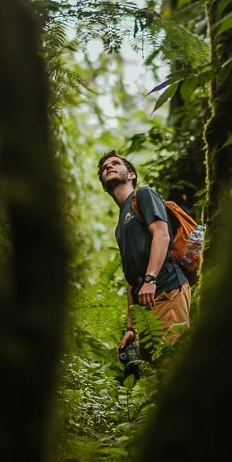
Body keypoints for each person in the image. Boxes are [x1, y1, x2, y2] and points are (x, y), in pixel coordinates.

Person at [97, 151, 191, 357]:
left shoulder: (143, 195)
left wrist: (150, 279)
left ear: (130, 174)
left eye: (115, 163)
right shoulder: (120, 226)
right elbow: (131, 279)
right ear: (104, 186)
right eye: (104, 168)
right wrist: (131, 327)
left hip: (168, 290)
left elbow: (162, 235)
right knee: (154, 373)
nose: (108, 167)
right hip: (145, 308)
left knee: (172, 360)